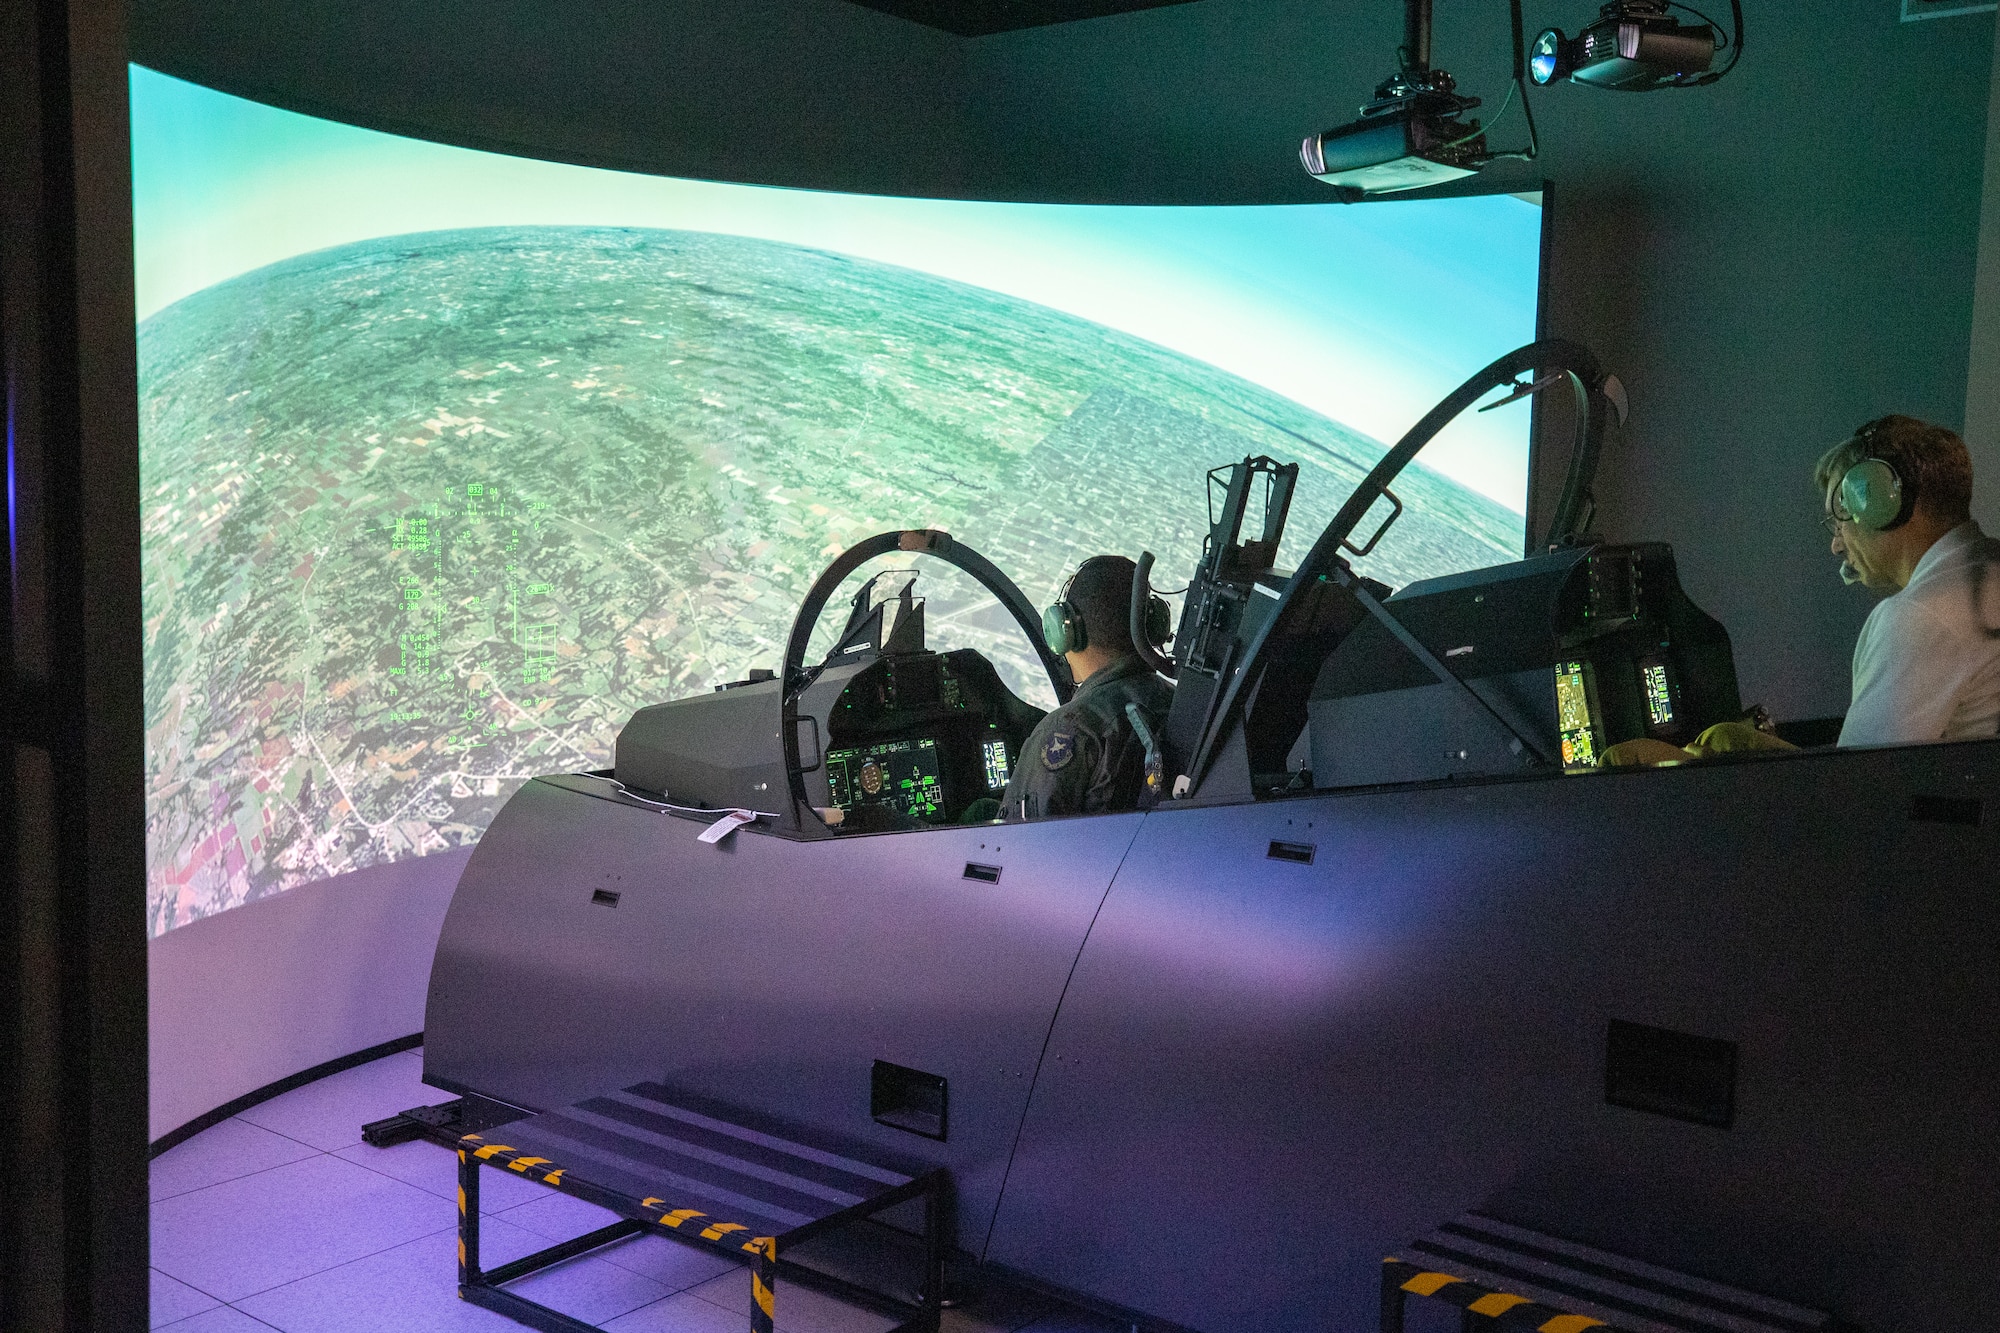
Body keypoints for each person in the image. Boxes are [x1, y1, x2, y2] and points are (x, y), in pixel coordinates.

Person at [1819, 415, 2000, 745]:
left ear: (1881, 504)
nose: (1836, 544)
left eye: (1839, 520)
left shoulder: (1916, 617)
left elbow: (1858, 784)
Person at [1001, 555, 1174, 820]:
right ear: (1152, 627)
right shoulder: (1176, 701)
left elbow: (1014, 841)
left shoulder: (1070, 728)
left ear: (1063, 632)